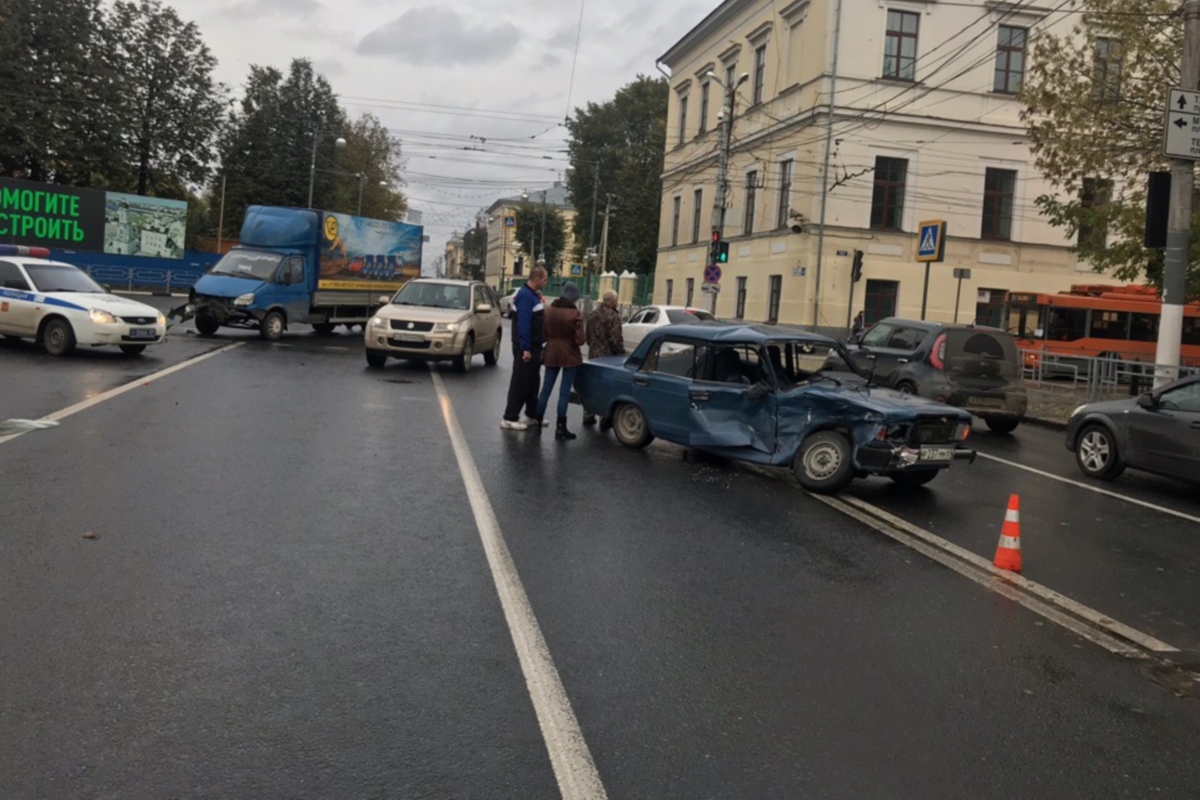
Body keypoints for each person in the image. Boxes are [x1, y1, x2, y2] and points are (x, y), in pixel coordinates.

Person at [535, 282, 587, 440]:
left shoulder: (548, 310)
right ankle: (560, 427)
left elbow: (543, 335)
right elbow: (580, 340)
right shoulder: (575, 314)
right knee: (564, 392)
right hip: (569, 355)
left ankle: (537, 422)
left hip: (551, 353)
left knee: (546, 388)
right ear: (573, 298)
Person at [501, 267, 549, 430]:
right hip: (525, 346)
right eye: (544, 279)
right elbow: (524, 324)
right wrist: (526, 348)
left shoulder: (533, 295)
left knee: (533, 381)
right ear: (537, 279)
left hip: (534, 345)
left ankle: (531, 414)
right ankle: (509, 417)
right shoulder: (525, 296)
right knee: (520, 382)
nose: (546, 282)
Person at [582, 290, 625, 428]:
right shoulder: (613, 316)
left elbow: (587, 336)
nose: (617, 302)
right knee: (605, 387)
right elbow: (615, 340)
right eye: (616, 300)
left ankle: (588, 414)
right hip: (607, 358)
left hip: (593, 355)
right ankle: (605, 417)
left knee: (592, 385)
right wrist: (621, 353)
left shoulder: (593, 314)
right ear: (612, 302)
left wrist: (594, 346)